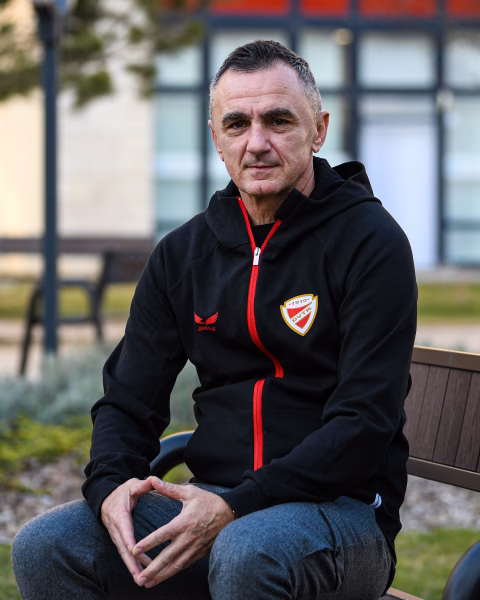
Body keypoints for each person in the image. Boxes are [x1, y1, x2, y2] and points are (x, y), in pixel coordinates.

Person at [12, 40, 417, 600]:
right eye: (237, 124)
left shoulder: (371, 243)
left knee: (247, 550)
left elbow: (364, 423)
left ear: (319, 130)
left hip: (342, 517)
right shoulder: (184, 255)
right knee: (48, 545)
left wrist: (235, 506)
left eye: (279, 121)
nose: (257, 142)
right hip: (216, 501)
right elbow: (127, 401)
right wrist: (110, 487)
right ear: (216, 138)